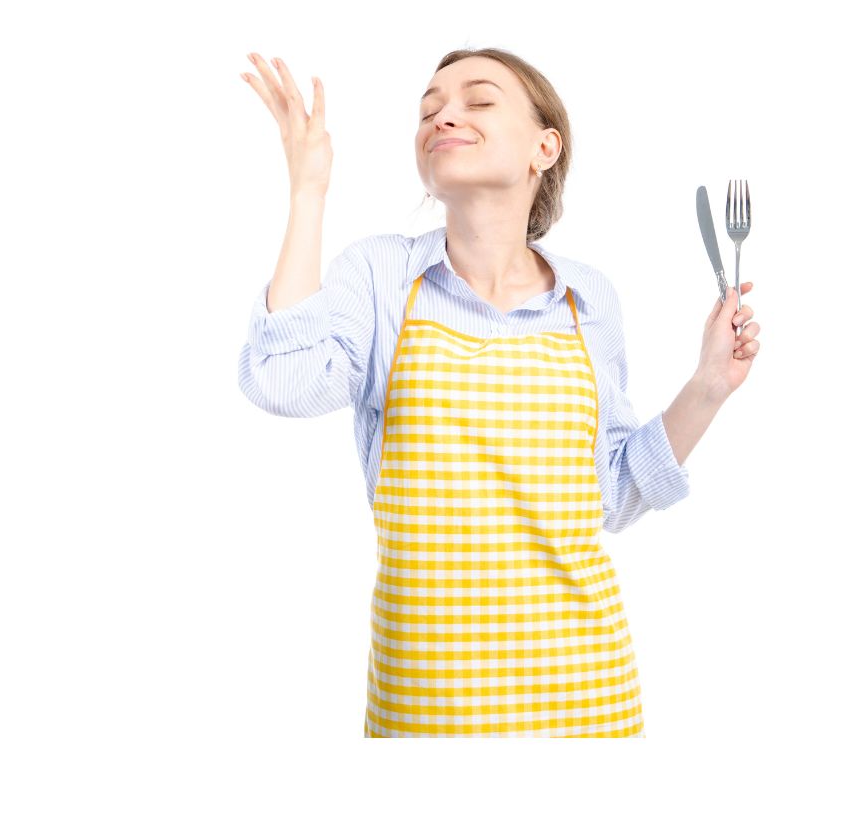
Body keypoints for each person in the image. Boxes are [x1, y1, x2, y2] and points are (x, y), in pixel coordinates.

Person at [237, 48, 761, 738]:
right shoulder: (384, 275)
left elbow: (611, 493)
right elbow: (284, 380)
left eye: (478, 101)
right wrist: (308, 191)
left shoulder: (588, 299)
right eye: (429, 109)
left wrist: (710, 385)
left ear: (546, 148)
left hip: (588, 700)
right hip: (426, 708)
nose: (444, 114)